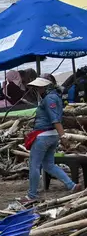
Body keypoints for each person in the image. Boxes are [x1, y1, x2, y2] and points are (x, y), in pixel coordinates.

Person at [25, 76, 84, 204]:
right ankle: (71, 185)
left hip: (43, 135)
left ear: (44, 87)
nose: (36, 90)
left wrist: (63, 137)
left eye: (38, 88)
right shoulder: (56, 97)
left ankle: (31, 195)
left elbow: (55, 120)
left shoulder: (49, 99)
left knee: (34, 165)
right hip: (52, 136)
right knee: (49, 165)